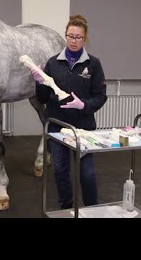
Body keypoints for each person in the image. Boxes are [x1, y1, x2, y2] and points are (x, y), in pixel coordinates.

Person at [31, 14, 107, 209]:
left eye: (78, 37)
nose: (74, 41)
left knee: (87, 173)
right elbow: (42, 98)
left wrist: (83, 105)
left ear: (85, 38)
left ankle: (92, 209)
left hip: (83, 129)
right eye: (70, 36)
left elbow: (100, 96)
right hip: (58, 127)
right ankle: (66, 208)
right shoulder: (53, 63)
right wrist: (39, 83)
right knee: (60, 171)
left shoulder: (93, 64)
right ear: (66, 36)